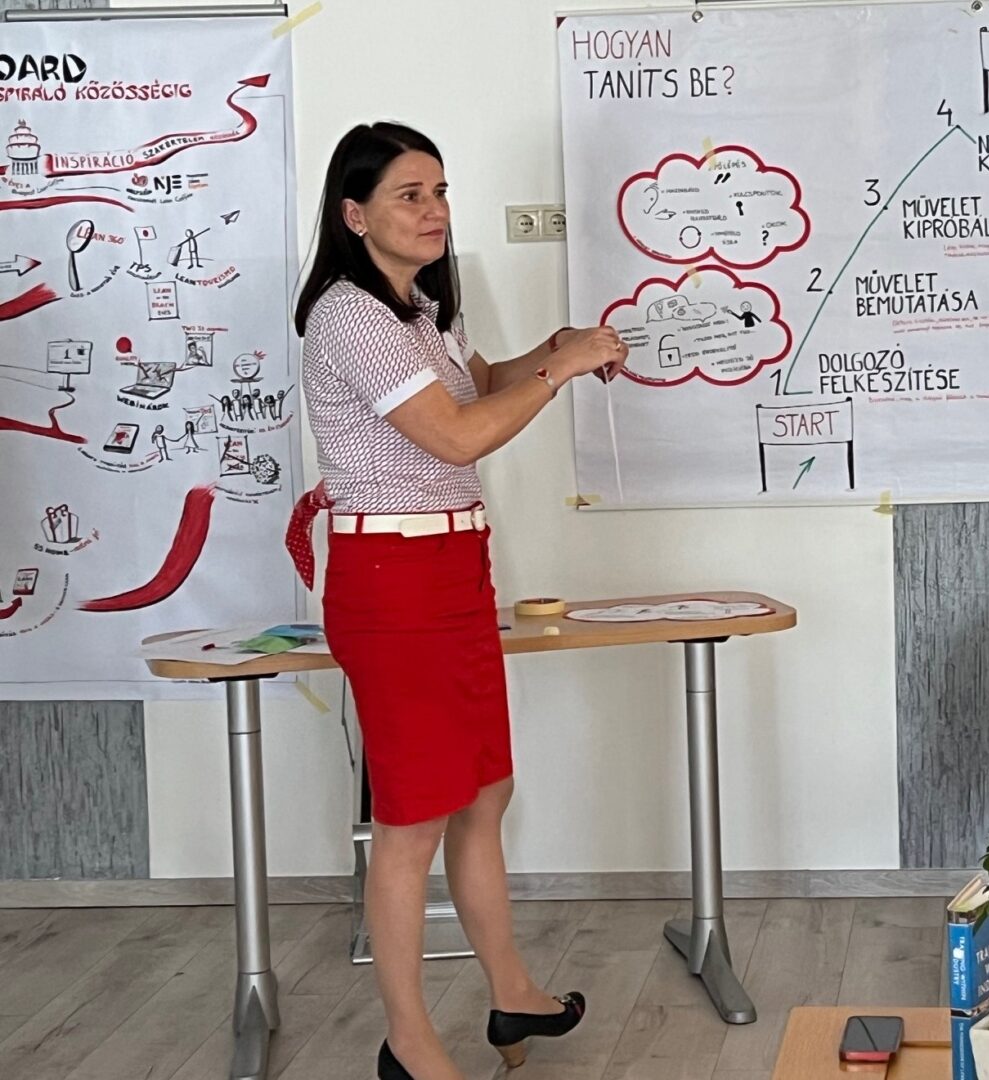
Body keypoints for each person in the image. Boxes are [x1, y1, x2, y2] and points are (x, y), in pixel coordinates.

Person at [289, 122, 626, 1080]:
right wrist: (560, 371)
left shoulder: (419, 311)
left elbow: (481, 386)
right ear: (355, 215)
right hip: (392, 583)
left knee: (483, 792)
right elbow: (456, 436)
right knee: (413, 820)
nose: (434, 210)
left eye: (439, 191)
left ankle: (513, 994)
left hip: (451, 571)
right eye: (409, 195)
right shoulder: (349, 316)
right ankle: (407, 1043)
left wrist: (555, 349)